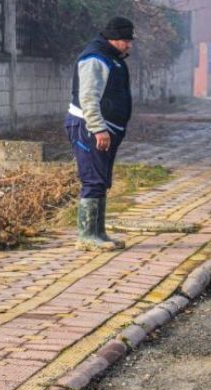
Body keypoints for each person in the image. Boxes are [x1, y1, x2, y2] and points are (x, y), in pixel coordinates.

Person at [66, 17, 134, 251]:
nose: (129, 45)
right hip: (89, 127)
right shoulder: (95, 59)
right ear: (113, 38)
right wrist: (98, 128)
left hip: (103, 128)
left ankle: (98, 232)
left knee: (101, 180)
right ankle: (86, 236)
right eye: (126, 40)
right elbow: (88, 98)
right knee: (93, 179)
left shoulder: (110, 58)